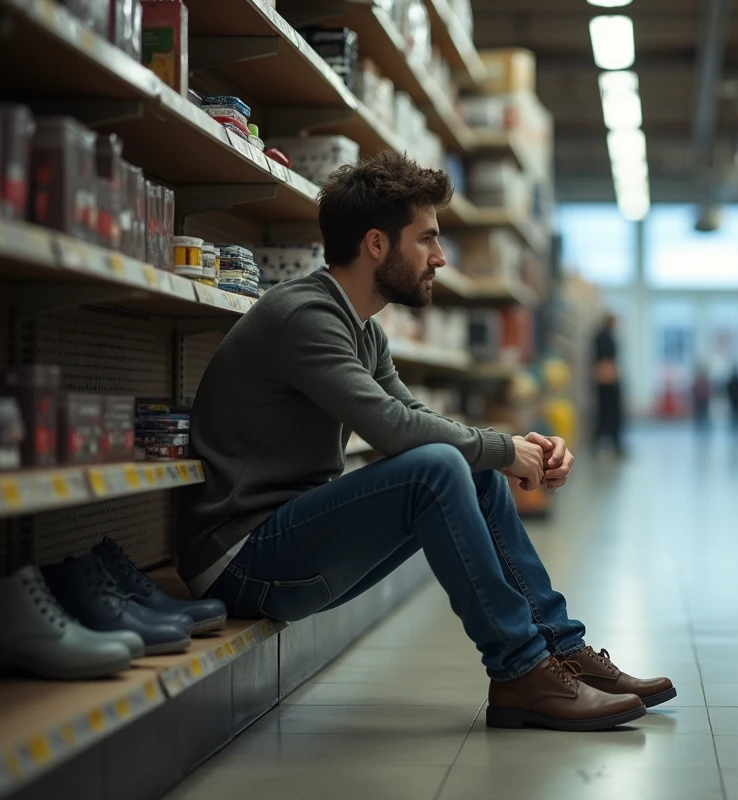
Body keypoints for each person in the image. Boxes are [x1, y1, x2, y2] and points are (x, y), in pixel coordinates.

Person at [177, 152, 674, 732]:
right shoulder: (303, 316)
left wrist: (509, 450)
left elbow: (411, 416)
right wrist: (504, 447)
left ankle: (558, 649)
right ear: (377, 245)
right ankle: (519, 671)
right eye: (428, 240)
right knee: (442, 465)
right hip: (240, 559)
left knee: (471, 468)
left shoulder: (362, 327)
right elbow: (392, 430)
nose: (440, 257)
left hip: (286, 542)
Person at [592, 313, 624, 455]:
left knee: (607, 413)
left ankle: (608, 442)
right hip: (607, 378)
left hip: (606, 377)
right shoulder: (603, 337)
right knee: (609, 412)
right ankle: (610, 443)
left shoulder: (603, 336)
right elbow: (604, 360)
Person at [691, 366, 711, 430]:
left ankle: (705, 427)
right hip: (699, 402)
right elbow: (694, 391)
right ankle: (699, 427)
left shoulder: (705, 382)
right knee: (699, 416)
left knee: (704, 416)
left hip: (704, 402)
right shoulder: (698, 382)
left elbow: (709, 391)